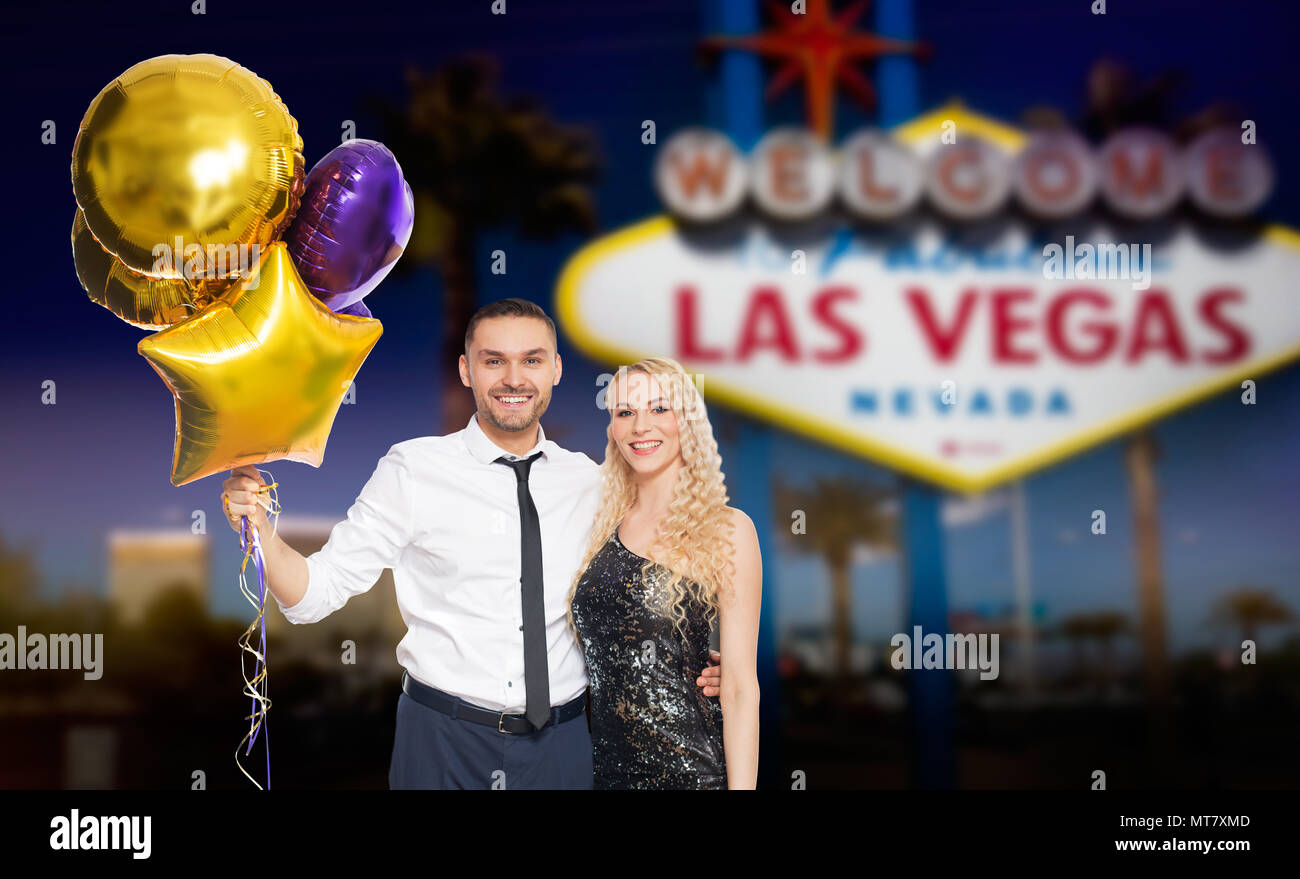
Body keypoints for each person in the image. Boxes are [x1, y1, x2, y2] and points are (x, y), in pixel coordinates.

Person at [220, 298, 721, 789]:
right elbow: (313, 596)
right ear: (466, 370)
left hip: (563, 745)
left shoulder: (590, 483)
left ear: (556, 370)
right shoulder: (413, 470)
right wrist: (262, 532)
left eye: (532, 360)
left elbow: (637, 589)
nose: (514, 378)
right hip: (441, 740)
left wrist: (705, 666)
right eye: (493, 360)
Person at [569, 357, 762, 789]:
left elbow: (739, 687)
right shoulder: (600, 524)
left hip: (692, 774)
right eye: (625, 412)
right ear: (613, 428)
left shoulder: (727, 528)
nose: (641, 426)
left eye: (659, 408)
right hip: (605, 776)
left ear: (687, 421)